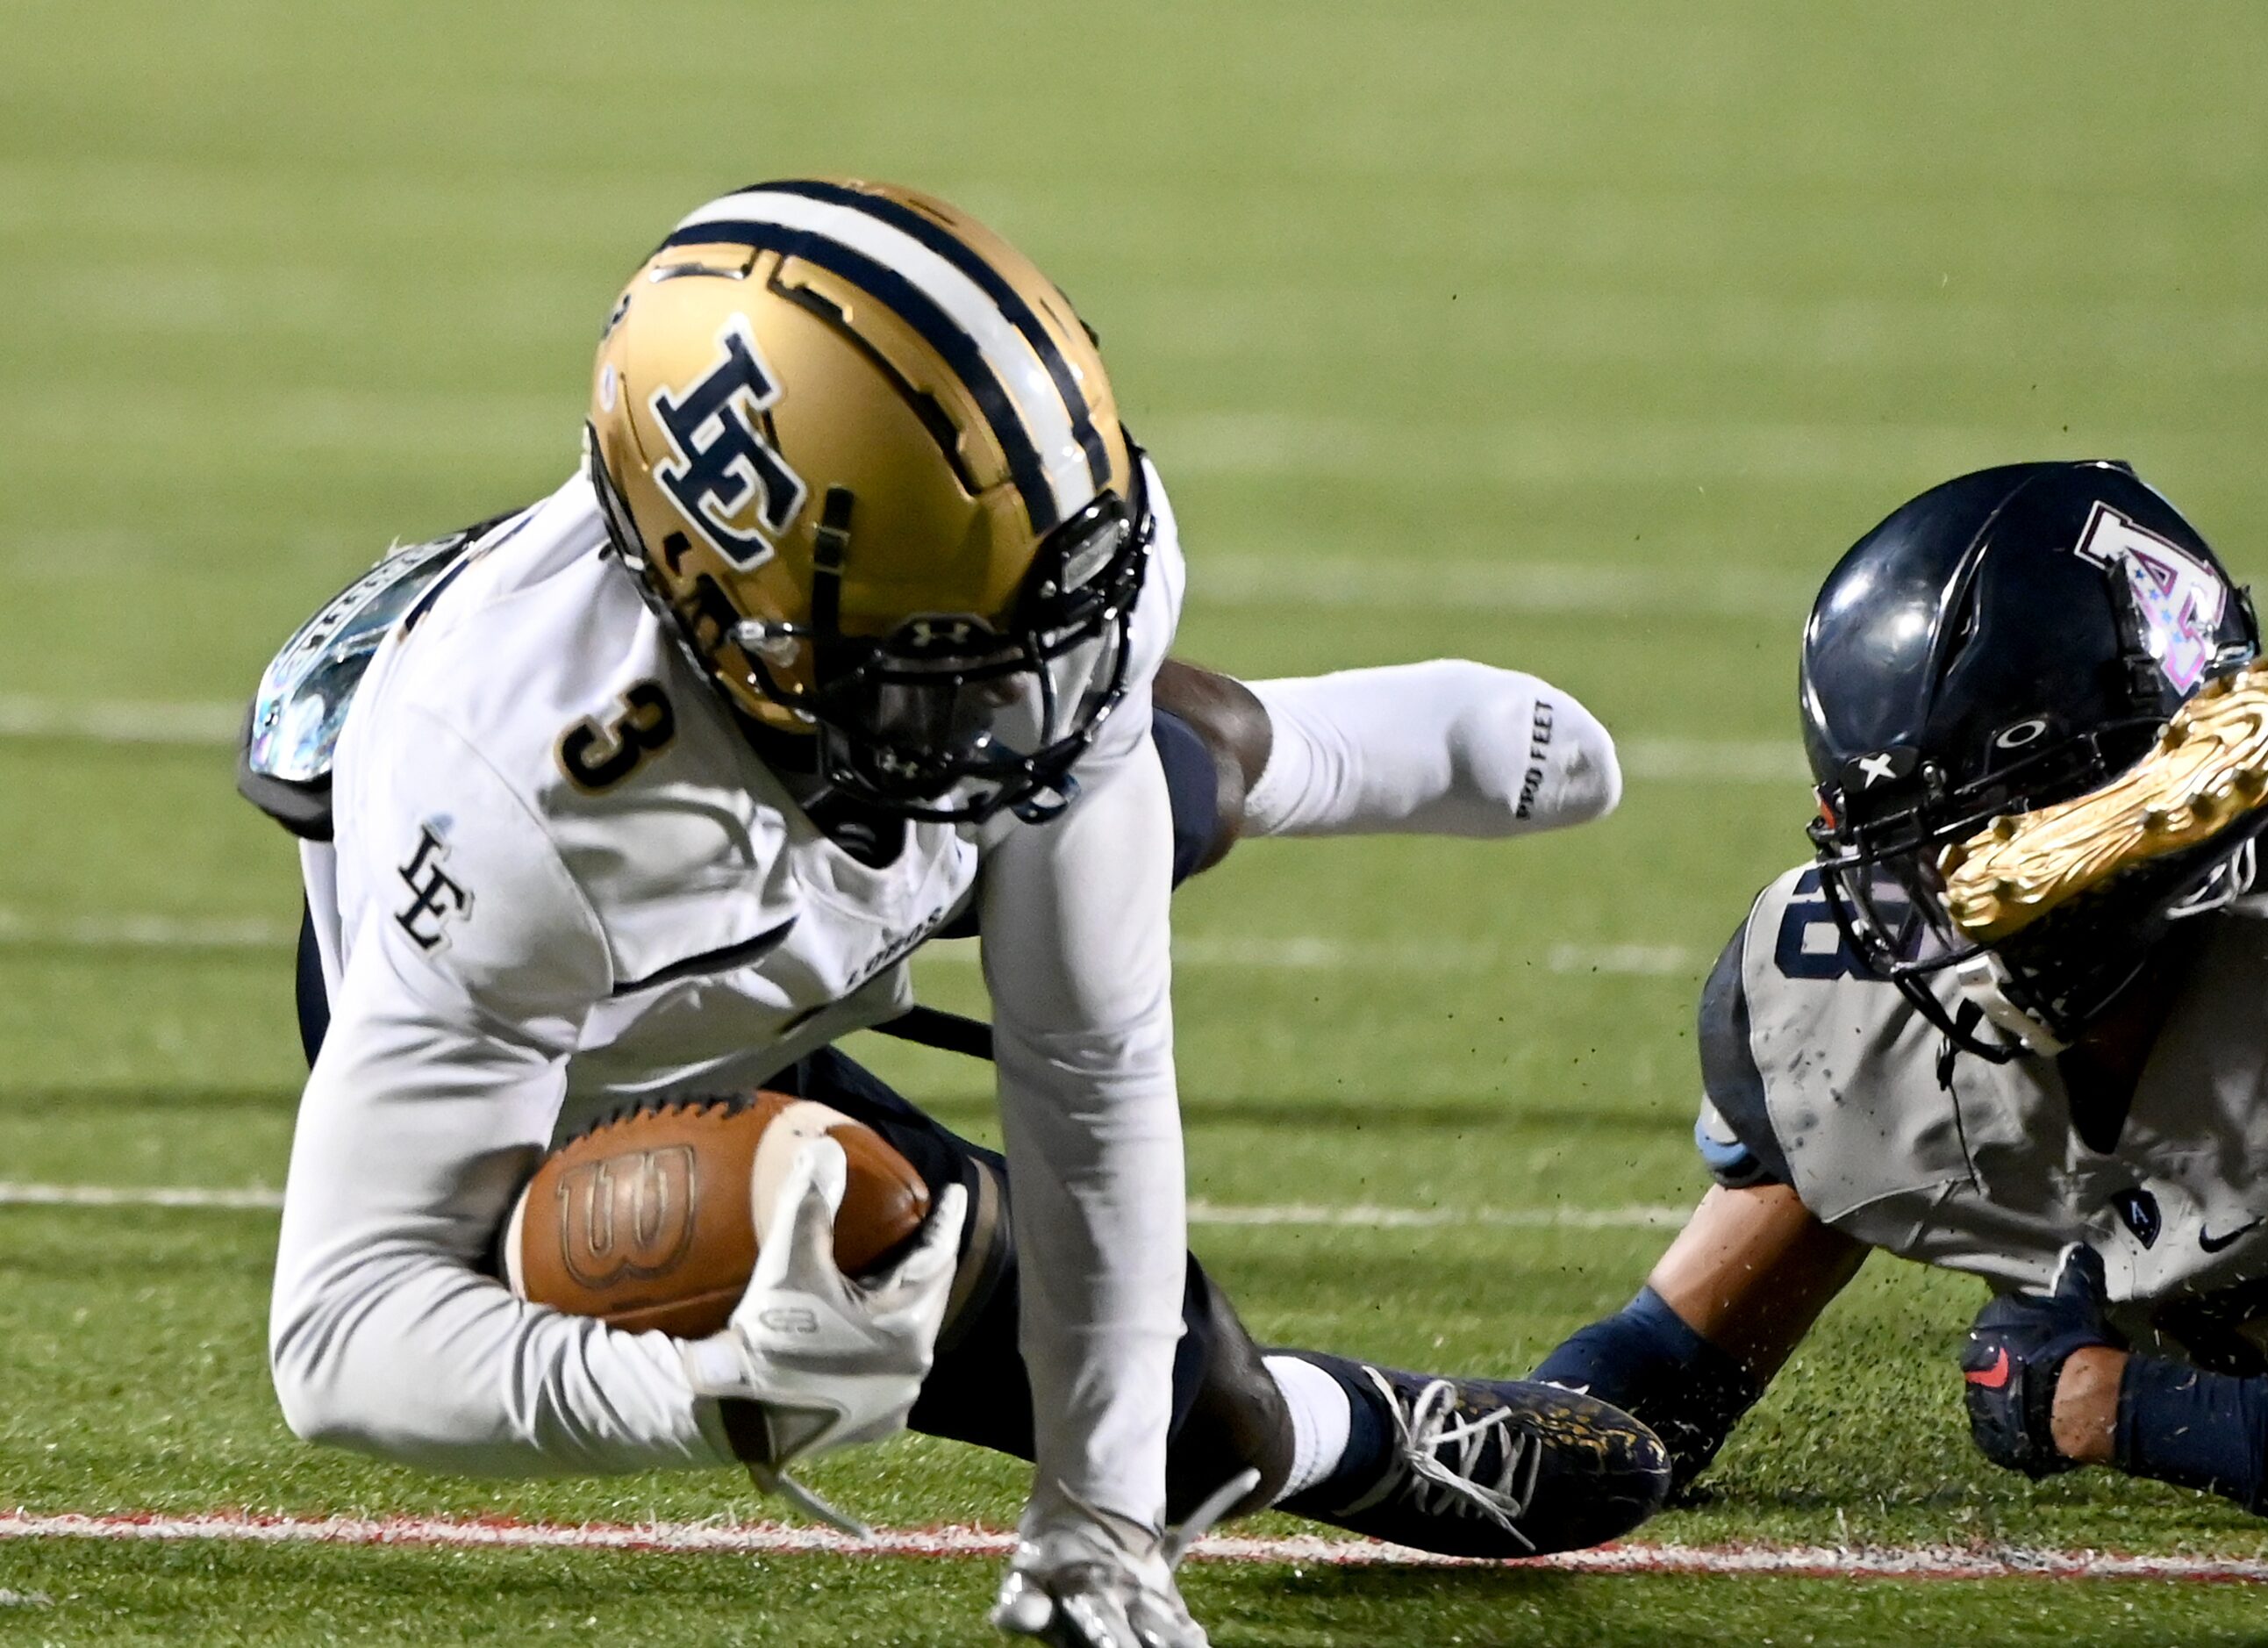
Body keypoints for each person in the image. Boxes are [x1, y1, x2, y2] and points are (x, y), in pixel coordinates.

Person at [240, 176, 1663, 1648]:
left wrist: (1096, 1517)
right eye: (943, 652)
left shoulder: (1071, 572)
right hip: (612, 1039)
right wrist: (710, 1396)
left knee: (1122, 756)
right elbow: (342, 1335)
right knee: (1170, 1388)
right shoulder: (511, 814)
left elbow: (1090, 1072)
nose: (1028, 704)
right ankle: (1346, 1426)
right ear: (731, 613)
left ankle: (1272, 749)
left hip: (804, 819)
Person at [1534, 461, 2268, 1541]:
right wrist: (1499, 1446)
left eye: (2001, 834)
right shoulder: (1857, 1009)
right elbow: (1663, 1367)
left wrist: (2110, 1405)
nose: (1959, 906)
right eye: (1919, 856)